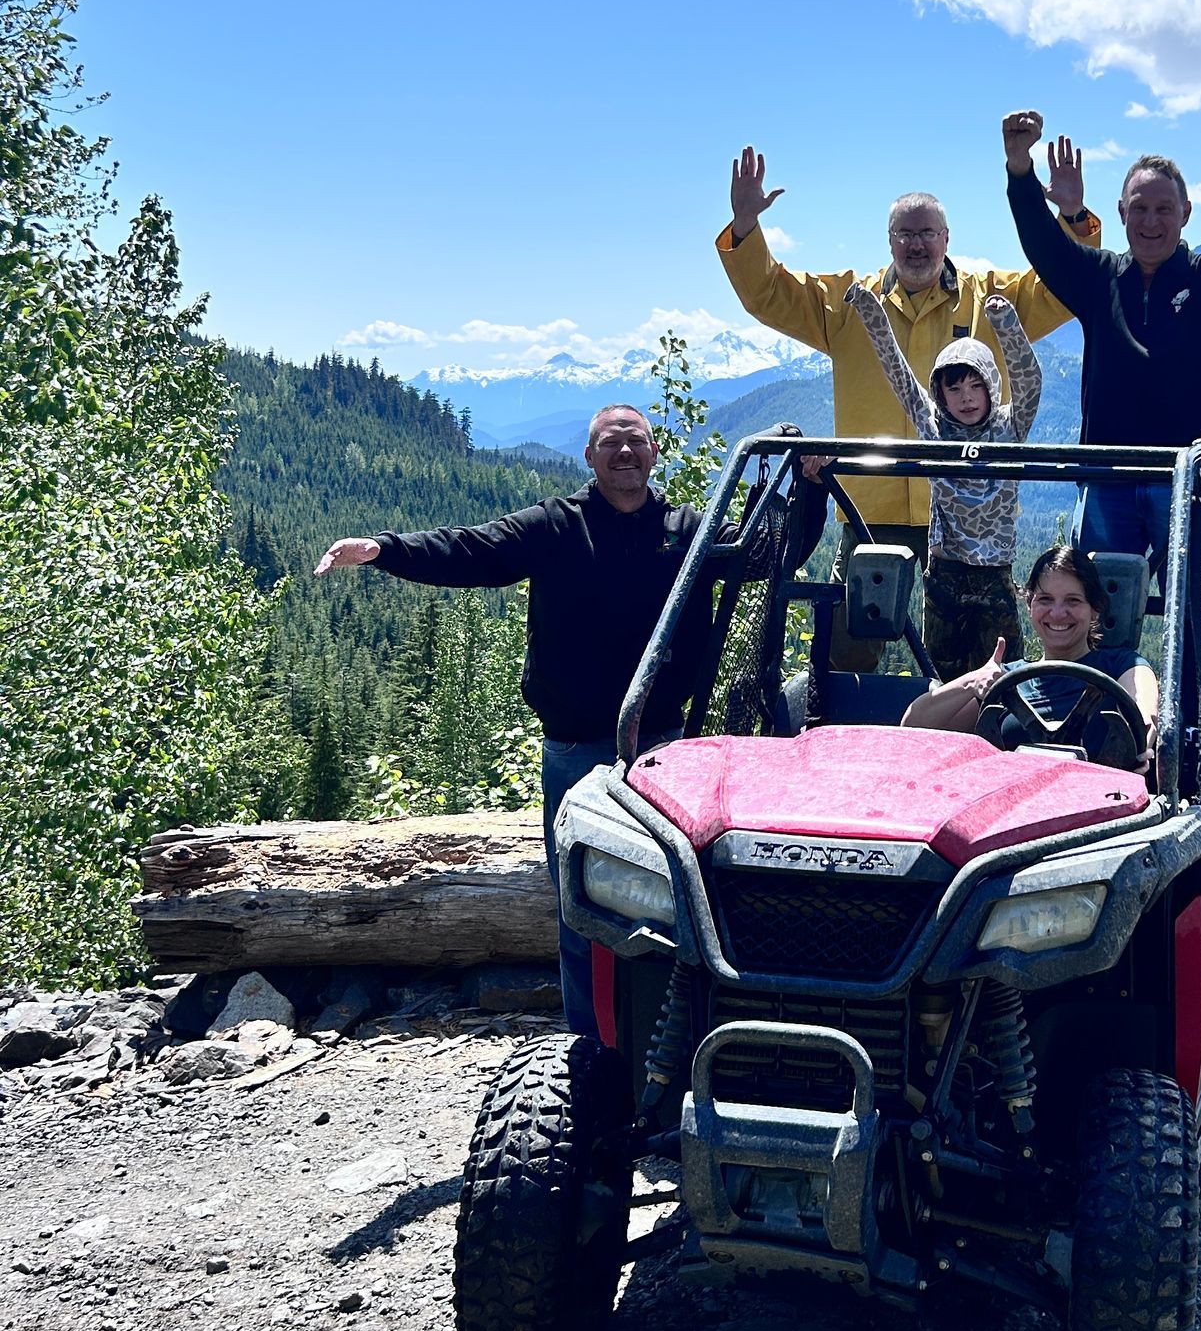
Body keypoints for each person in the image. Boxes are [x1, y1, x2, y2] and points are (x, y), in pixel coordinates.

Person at [314, 406, 824, 1032]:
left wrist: (812, 487)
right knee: (582, 907)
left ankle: (669, 1039)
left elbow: (768, 555)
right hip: (575, 752)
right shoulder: (555, 527)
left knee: (677, 904)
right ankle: (590, 1044)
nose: (625, 453)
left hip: (665, 754)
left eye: (636, 442)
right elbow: (472, 551)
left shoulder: (690, 531)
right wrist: (383, 550)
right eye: (611, 444)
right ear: (590, 457)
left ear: (654, 452)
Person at [716, 145, 1097, 668]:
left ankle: (974, 736)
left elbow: (1065, 283)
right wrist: (743, 228)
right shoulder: (848, 301)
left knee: (977, 659)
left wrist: (1074, 219)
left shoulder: (989, 297)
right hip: (871, 508)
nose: (916, 245)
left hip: (965, 520)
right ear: (890, 240)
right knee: (847, 653)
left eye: (927, 233)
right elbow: (770, 295)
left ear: (946, 239)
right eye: (905, 233)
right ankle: (842, 736)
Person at [1001, 107, 1201, 562]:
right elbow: (1042, 242)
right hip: (1108, 481)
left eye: (1164, 208)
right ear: (1122, 212)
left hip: (1195, 483)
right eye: (1139, 208)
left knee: (1198, 628)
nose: (1151, 221)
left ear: (1185, 213)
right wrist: (1020, 169)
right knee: (1104, 620)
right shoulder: (1097, 279)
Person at [842, 283, 1041, 679]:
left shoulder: (1010, 426)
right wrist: (869, 308)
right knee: (941, 676)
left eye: (975, 386)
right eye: (954, 388)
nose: (966, 398)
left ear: (990, 387)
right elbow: (896, 371)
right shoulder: (933, 425)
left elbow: (1029, 381)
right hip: (945, 573)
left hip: (995, 571)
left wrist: (1004, 322)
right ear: (940, 393)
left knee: (1005, 677)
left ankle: (1000, 737)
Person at [904, 543, 1158, 770]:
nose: (1058, 613)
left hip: (1103, 809)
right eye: (1045, 599)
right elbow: (913, 729)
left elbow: (1145, 712)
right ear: (1030, 606)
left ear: (1095, 610)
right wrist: (972, 682)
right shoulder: (1005, 680)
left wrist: (1140, 742)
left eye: (1073, 601)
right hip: (1013, 810)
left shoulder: (1123, 667)